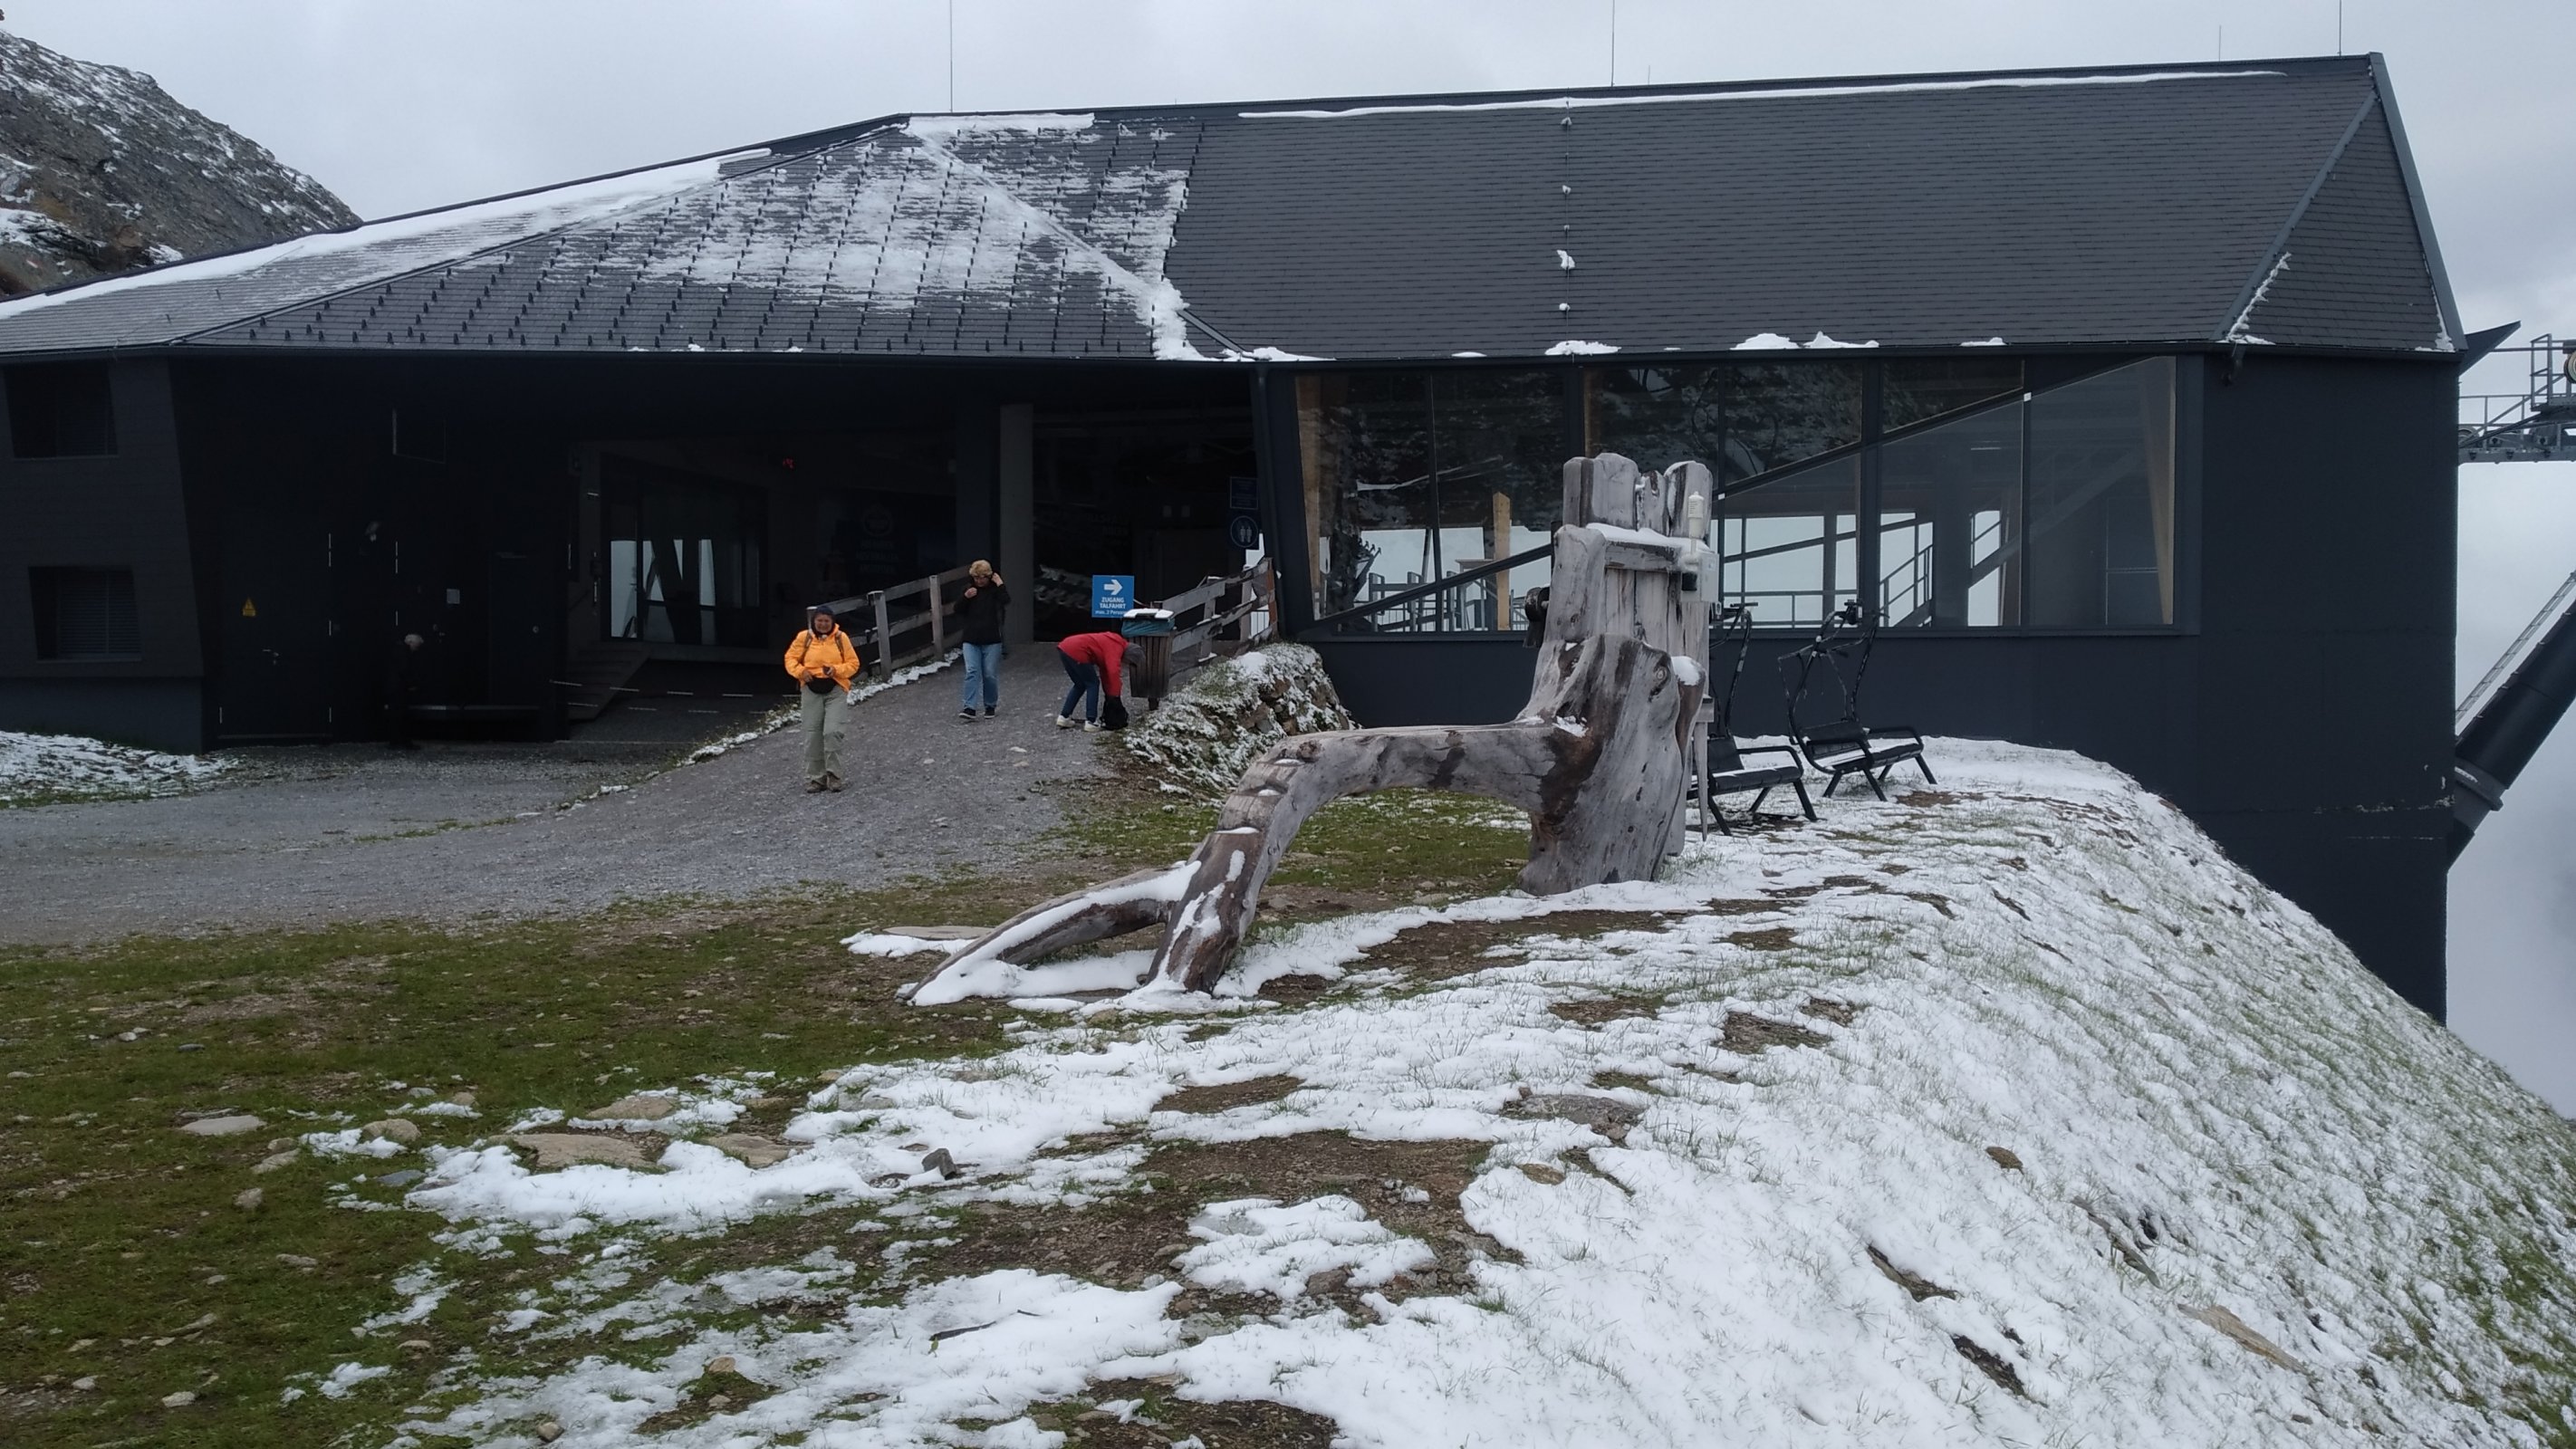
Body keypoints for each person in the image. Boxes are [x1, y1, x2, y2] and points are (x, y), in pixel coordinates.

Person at [783, 607, 860, 792]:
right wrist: (801, 672)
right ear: (814, 621)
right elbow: (790, 658)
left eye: (827, 621)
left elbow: (853, 663)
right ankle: (816, 778)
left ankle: (834, 775)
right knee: (813, 734)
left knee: (832, 732)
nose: (823, 624)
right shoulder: (804, 637)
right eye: (819, 621)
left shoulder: (841, 638)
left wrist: (836, 670)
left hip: (835, 688)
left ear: (832, 622)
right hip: (811, 688)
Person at [954, 559, 1009, 720]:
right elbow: (957, 609)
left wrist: (1000, 584)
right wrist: (965, 597)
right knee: (972, 671)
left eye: (983, 577)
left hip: (992, 639)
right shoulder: (969, 589)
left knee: (989, 674)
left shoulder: (994, 591)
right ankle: (969, 707)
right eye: (976, 577)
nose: (979, 581)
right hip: (971, 638)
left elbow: (1006, 600)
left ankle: (990, 705)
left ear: (989, 576)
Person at [1054, 629, 1138, 732]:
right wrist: (1115, 696)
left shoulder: (1111, 643)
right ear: (1128, 656)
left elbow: (1105, 673)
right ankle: (1091, 721)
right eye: (1128, 662)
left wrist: (1109, 693)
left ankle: (1064, 717)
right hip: (1077, 650)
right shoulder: (1116, 647)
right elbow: (1113, 672)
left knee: (1080, 684)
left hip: (1065, 647)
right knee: (1092, 683)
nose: (1125, 664)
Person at [384, 631, 426, 751]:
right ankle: (402, 741)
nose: (416, 649)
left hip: (394, 688)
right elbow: (404, 670)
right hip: (399, 688)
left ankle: (395, 741)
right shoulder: (403, 653)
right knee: (401, 715)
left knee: (396, 715)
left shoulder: (397, 650)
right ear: (411, 643)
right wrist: (411, 683)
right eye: (416, 646)